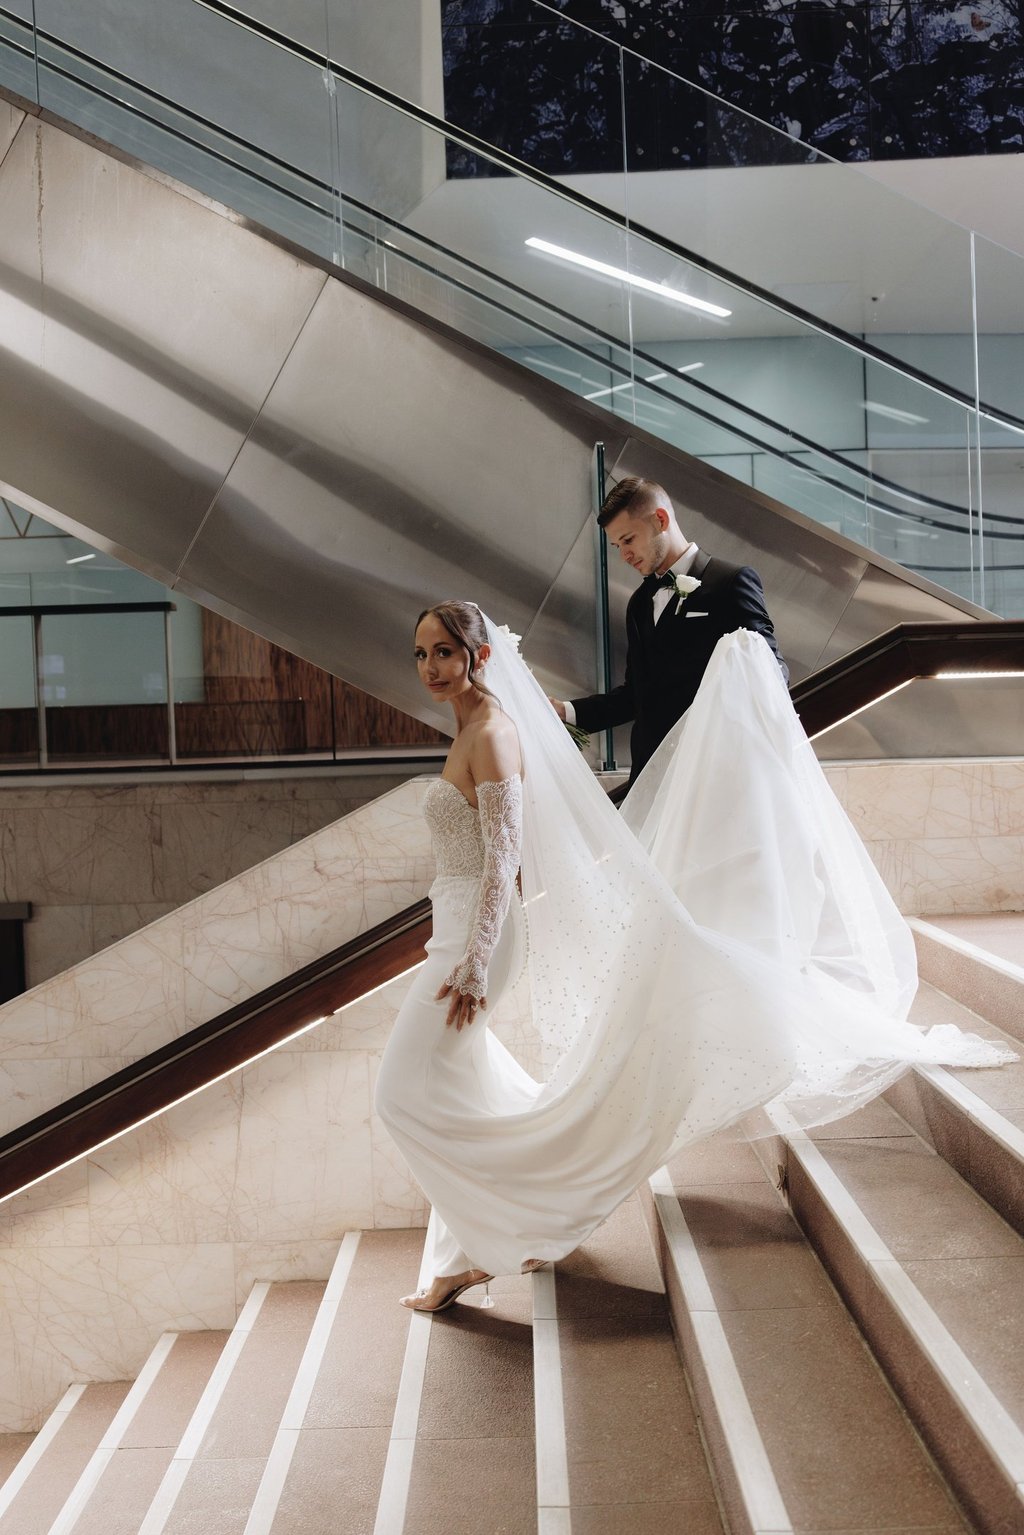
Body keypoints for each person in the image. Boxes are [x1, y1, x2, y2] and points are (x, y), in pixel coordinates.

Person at [375, 600, 1013, 1313]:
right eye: (421, 654)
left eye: (444, 652)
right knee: (456, 1085)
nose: (431, 667)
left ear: (479, 656)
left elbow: (504, 861)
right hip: (454, 931)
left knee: (398, 1094)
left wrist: (474, 959)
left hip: (473, 944)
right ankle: (481, 1243)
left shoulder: (492, 734)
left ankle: (494, 1234)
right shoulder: (469, 725)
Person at [552, 476, 787, 782]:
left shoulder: (731, 582)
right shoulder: (639, 603)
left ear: (660, 519)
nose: (624, 555)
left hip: (715, 774)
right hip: (651, 776)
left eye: (628, 540)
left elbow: (773, 670)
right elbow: (636, 695)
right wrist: (567, 712)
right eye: (616, 545)